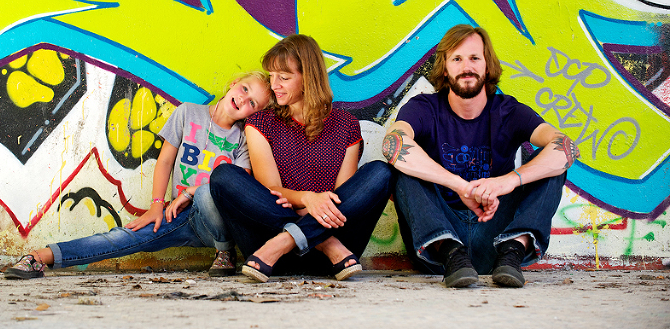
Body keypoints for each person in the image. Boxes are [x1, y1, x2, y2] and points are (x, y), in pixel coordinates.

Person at [4, 72, 274, 279]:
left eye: (253, 103)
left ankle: (224, 251)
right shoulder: (188, 113)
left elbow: (235, 185)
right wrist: (157, 206)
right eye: (245, 89)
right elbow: (165, 161)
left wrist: (191, 192)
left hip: (217, 224)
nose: (243, 99)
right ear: (234, 83)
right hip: (178, 217)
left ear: (255, 113)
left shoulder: (243, 138)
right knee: (126, 237)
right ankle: (40, 257)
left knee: (207, 191)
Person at [383, 24, 579, 288]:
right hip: (440, 248)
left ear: (488, 66)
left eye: (475, 58)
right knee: (401, 170)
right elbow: (392, 145)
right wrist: (459, 185)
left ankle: (513, 252)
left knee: (553, 166)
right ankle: (453, 252)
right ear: (444, 67)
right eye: (457, 59)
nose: (467, 67)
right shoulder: (423, 108)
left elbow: (566, 147)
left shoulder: (509, 111)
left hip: (496, 239)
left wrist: (507, 181)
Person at [209, 34, 394, 283]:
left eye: (284, 78)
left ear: (309, 78)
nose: (275, 85)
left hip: (282, 255)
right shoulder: (261, 123)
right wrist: (309, 199)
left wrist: (309, 211)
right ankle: (325, 244)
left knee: (381, 172)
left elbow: (341, 201)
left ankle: (289, 240)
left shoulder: (346, 125)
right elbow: (270, 191)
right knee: (224, 176)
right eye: (272, 76)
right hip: (281, 247)